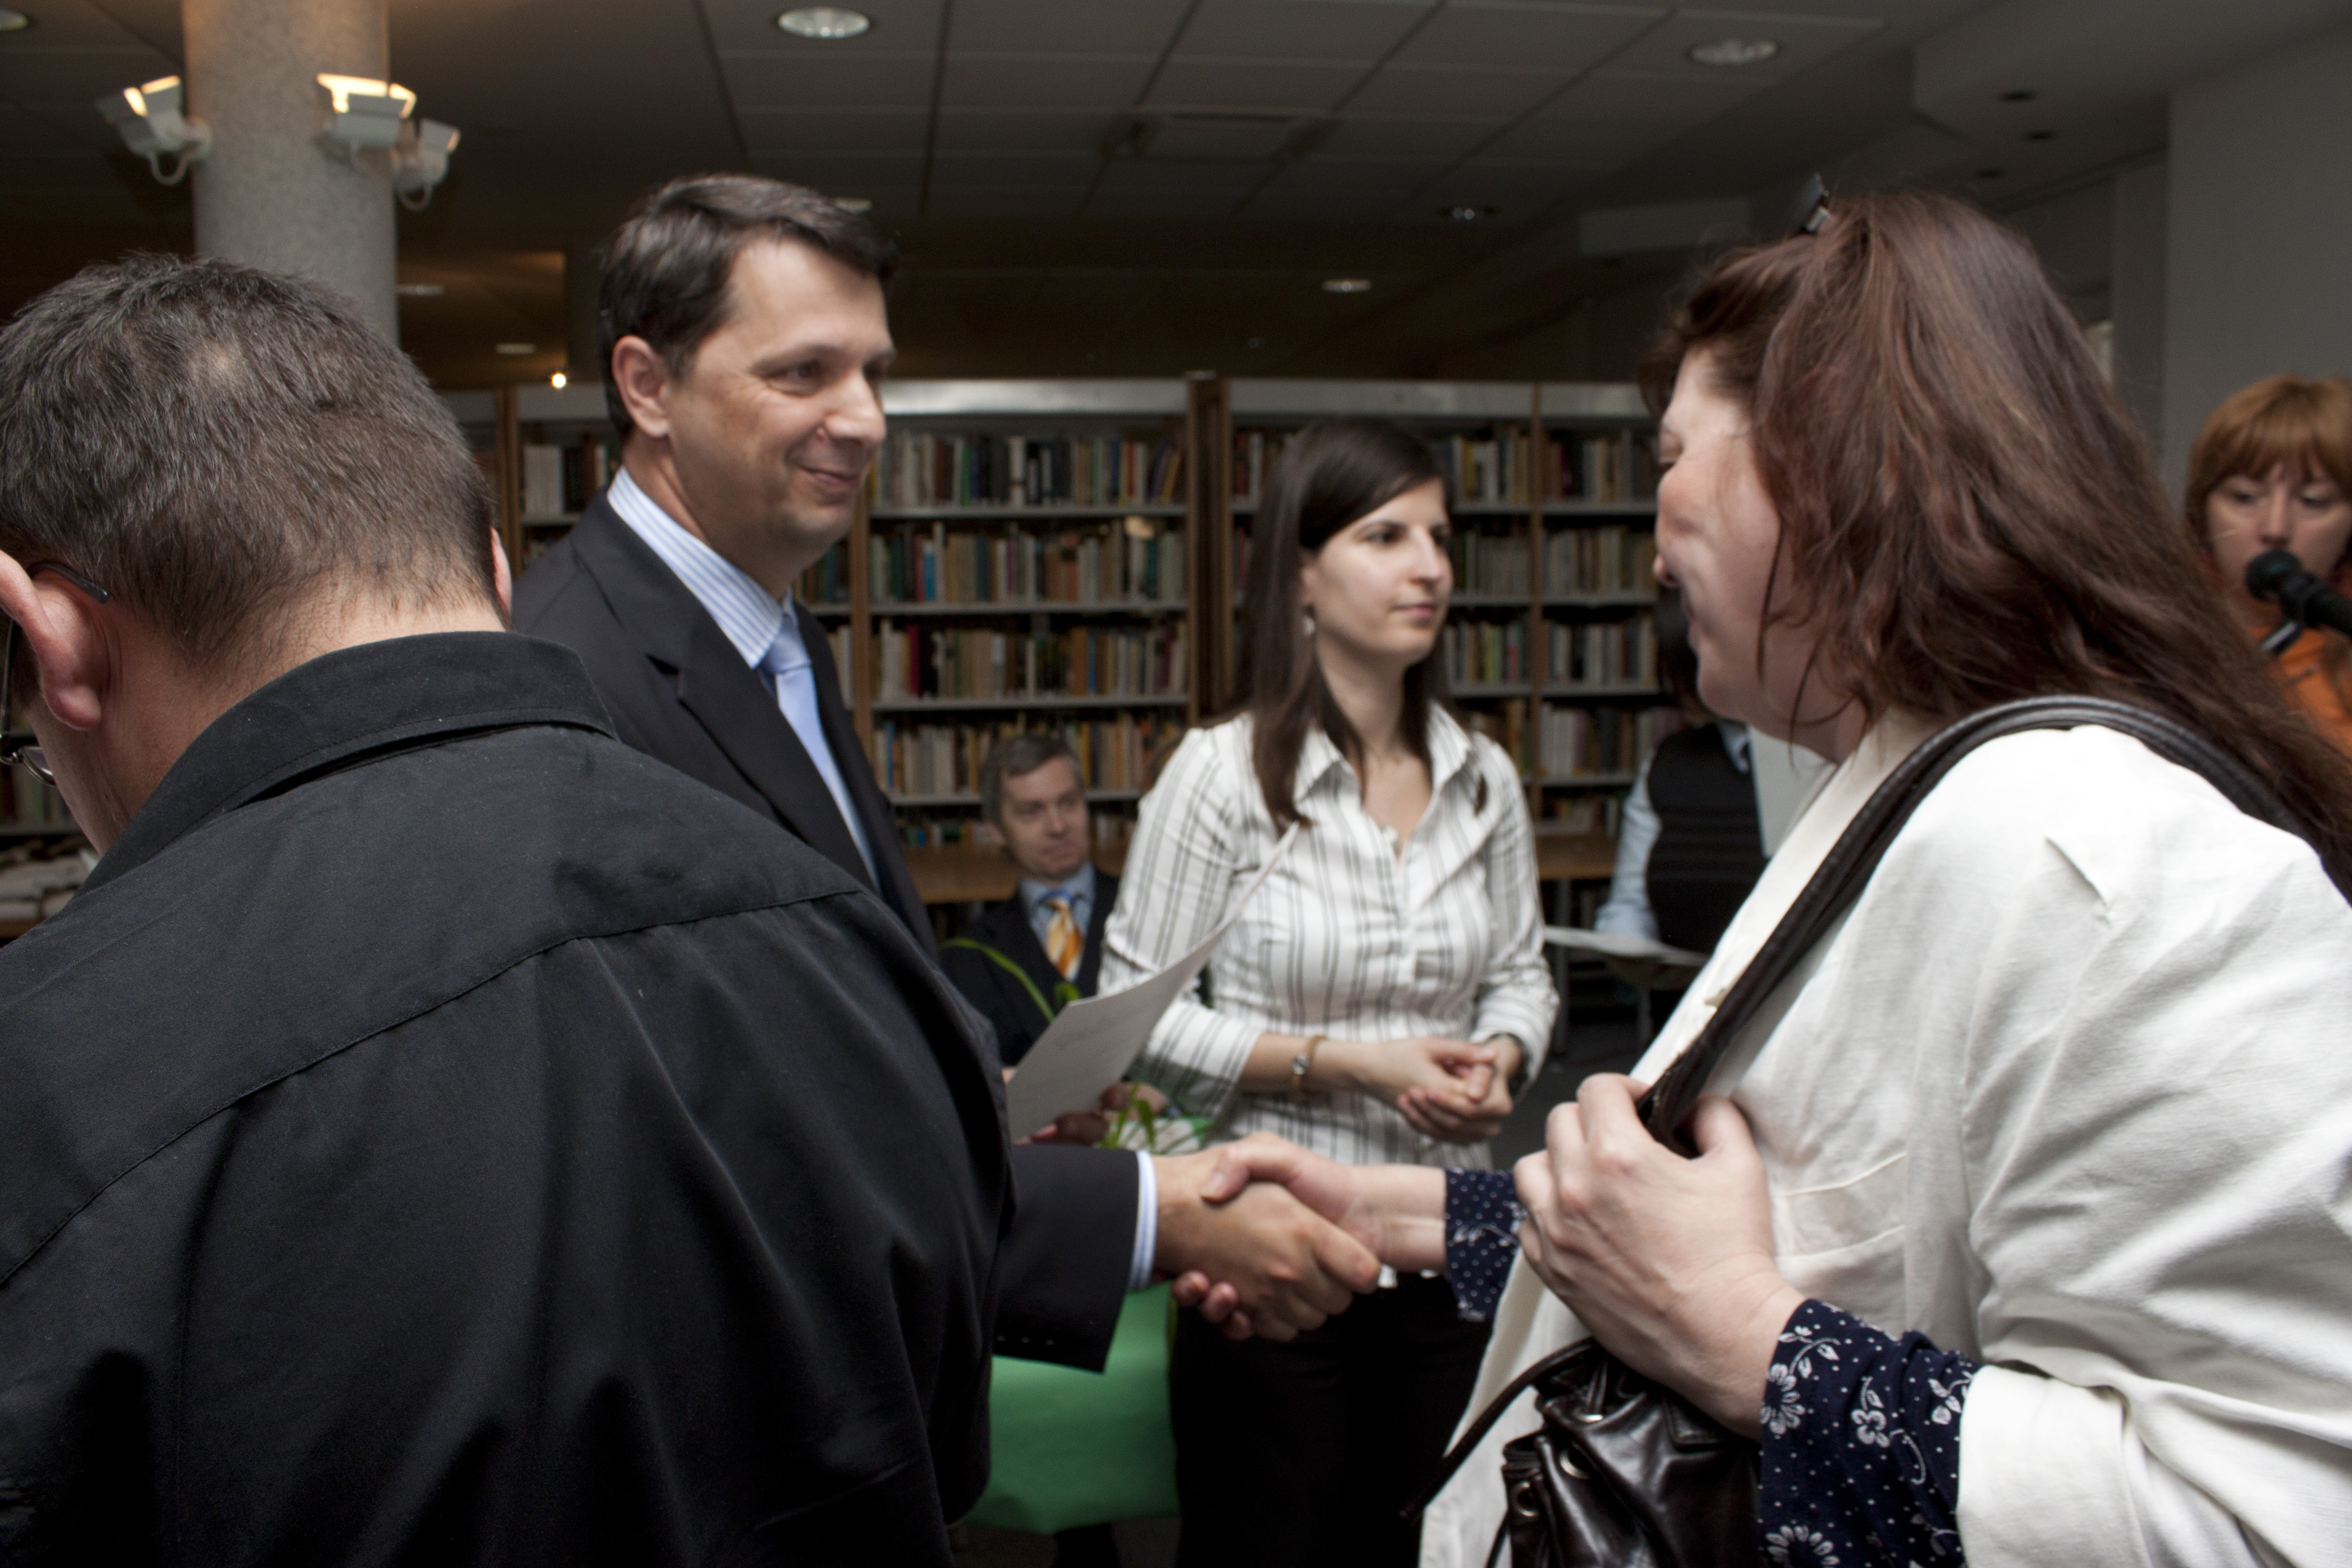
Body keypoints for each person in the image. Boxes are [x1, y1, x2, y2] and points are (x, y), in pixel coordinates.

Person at [1202, 191, 2352, 1568]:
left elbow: (2261, 1519)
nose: (1650, 546)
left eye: (1673, 457)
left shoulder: (2117, 872)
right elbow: (1834, 1223)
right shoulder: (1902, 788)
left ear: (1820, 462)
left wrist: (1741, 1337)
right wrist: (1408, 1214)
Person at [0, 255, 1014, 1563]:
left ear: (56, 643)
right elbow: (937, 1450)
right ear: (489, 567)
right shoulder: (855, 948)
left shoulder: (46, 1089)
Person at [514, 172, 1376, 1374]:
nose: (865, 418)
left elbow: (803, 1017)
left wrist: (982, 1095)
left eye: (873, 372)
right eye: (804, 372)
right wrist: (1144, 1214)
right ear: (647, 386)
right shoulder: (561, 673)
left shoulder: (777, 632)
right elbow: (687, 1133)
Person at [1100, 418, 1558, 1568]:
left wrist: (1502, 1057)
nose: (1429, 567)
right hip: (1272, 1255)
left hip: (1453, 1249)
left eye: (1440, 538)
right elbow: (1132, 1020)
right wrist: (1346, 1062)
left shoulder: (1483, 778)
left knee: (1439, 1545)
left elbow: (1521, 974)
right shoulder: (1221, 774)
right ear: (1301, 573)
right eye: (1385, 536)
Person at [2184, 373, 2352, 751]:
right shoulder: (2146, 641)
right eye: (2246, 497)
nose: (2276, 528)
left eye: (2312, 501)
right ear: (2202, 513)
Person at [940, 733, 1121, 1066]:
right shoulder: (967, 958)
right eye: (1031, 812)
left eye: (1068, 803)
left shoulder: (1146, 911)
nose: (1058, 826)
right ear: (996, 829)